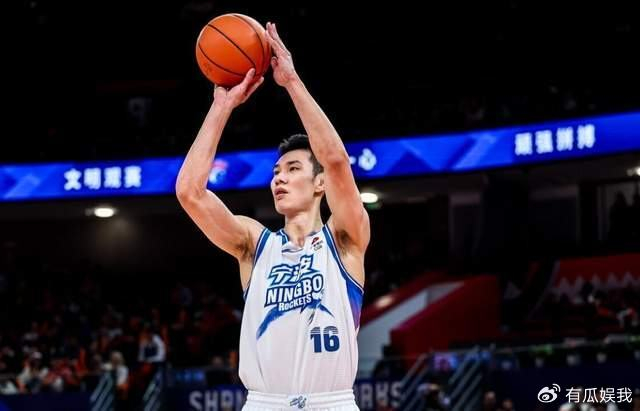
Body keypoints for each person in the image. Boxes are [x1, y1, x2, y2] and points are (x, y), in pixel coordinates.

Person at [177, 22, 370, 411]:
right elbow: (190, 192)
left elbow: (335, 160)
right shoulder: (254, 244)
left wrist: (292, 82)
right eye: (276, 172)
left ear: (319, 184)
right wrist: (221, 107)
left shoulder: (345, 240)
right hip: (264, 402)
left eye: (293, 169)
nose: (279, 178)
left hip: (331, 403)